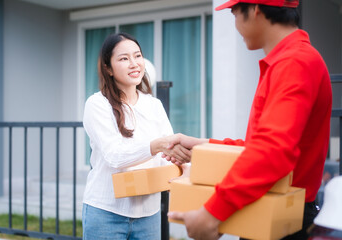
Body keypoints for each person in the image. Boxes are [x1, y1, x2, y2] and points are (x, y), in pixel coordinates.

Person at [166, 1, 332, 240]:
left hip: (283, 219)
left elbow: (272, 151)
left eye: (234, 14)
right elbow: (260, 145)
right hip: (273, 208)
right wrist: (203, 146)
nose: (235, 24)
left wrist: (212, 213)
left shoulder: (294, 63)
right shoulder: (289, 60)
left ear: (255, 9)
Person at [82, 32, 190, 240]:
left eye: (137, 56)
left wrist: (188, 165)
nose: (134, 64)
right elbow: (115, 156)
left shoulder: (154, 105)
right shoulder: (97, 105)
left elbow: (169, 154)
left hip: (149, 215)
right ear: (108, 68)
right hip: (106, 212)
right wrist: (157, 145)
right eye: (124, 59)